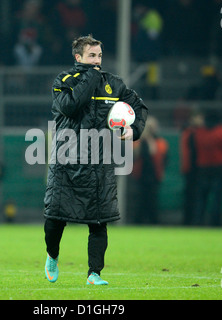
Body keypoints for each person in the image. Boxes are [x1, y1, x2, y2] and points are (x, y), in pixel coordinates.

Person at [43, 34, 148, 285]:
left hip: (99, 162)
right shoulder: (63, 81)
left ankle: (94, 274)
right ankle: (52, 255)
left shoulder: (113, 84)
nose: (97, 61)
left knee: (99, 222)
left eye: (99, 56)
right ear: (78, 57)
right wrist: (90, 75)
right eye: (92, 56)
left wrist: (136, 130)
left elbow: (139, 107)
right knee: (55, 218)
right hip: (66, 162)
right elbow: (71, 106)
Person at [189, 110, 222, 226]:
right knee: (217, 200)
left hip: (202, 169)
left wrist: (192, 172)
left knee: (200, 200)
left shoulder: (197, 133)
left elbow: (193, 154)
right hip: (219, 169)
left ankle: (198, 222)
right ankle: (215, 223)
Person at [130, 116, 168, 224]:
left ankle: (153, 221)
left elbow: (155, 152)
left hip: (154, 176)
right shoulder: (138, 141)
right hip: (140, 176)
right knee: (140, 201)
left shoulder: (160, 142)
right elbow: (135, 154)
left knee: (152, 200)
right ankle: (138, 222)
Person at [179, 110, 204, 225]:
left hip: (192, 169)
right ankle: (191, 221)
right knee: (192, 197)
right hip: (193, 170)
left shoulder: (188, 132)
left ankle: (192, 220)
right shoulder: (192, 133)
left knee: (193, 197)